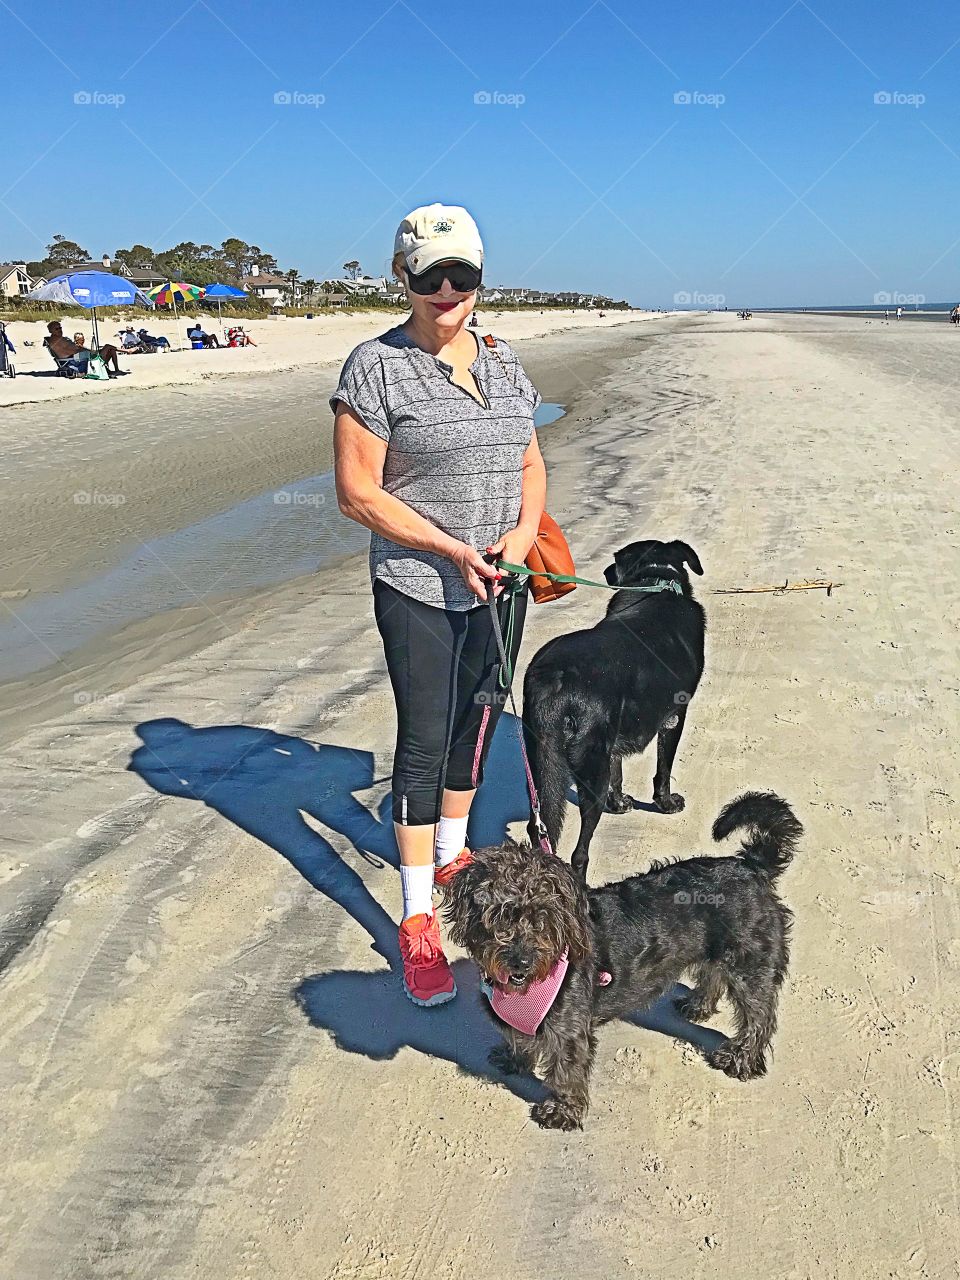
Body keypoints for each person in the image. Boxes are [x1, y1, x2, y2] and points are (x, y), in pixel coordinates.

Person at [332, 203, 547, 1008]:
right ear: (404, 280)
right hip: (420, 587)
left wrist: (520, 542)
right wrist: (451, 550)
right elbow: (357, 494)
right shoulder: (375, 367)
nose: (448, 291)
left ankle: (452, 855)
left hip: (500, 585)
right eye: (431, 278)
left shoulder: (503, 361)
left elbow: (532, 465)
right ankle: (418, 919)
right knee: (422, 744)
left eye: (463, 276)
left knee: (477, 723)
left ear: (480, 278)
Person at [45, 321, 121, 376]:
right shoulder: (59, 341)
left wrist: (85, 349)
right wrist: (89, 350)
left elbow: (75, 349)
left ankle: (115, 370)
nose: (60, 330)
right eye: (57, 329)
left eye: (60, 327)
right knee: (107, 347)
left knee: (110, 349)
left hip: (77, 358)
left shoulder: (57, 340)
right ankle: (127, 351)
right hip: (76, 362)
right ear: (50, 331)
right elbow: (75, 350)